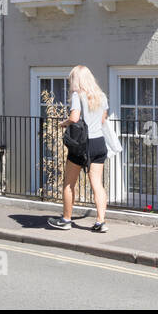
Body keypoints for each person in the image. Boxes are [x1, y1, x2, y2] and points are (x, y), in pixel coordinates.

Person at [47, 65, 109, 232]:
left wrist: (64, 123)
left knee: (69, 183)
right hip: (99, 143)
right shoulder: (101, 96)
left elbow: (74, 118)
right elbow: (103, 119)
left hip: (82, 145)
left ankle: (66, 219)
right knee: (97, 184)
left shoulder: (77, 95)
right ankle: (100, 222)